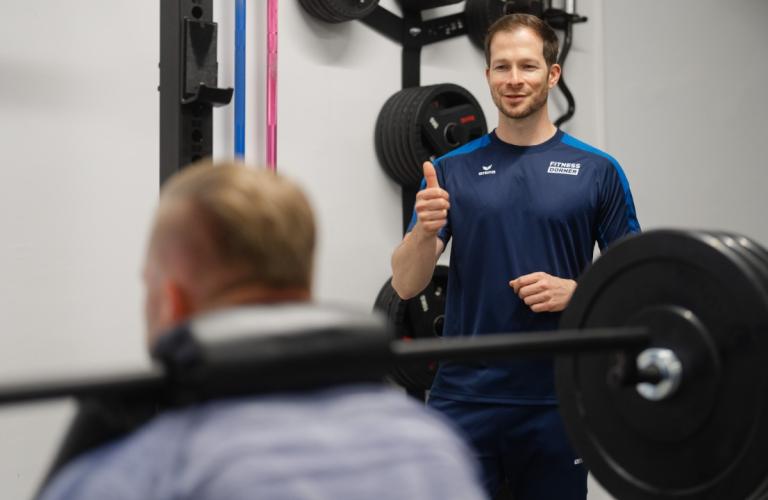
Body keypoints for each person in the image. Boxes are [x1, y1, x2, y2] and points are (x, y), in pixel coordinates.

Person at [39, 162, 487, 500]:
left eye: (148, 287)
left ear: (171, 301)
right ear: (302, 281)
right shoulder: (431, 448)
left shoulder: (143, 477)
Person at [391, 13, 641, 500]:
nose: (513, 80)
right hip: (463, 397)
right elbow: (405, 285)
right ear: (486, 76)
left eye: (527, 66)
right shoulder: (449, 172)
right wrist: (424, 231)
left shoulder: (598, 172)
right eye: (500, 67)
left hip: (556, 400)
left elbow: (634, 286)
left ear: (552, 73)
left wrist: (578, 292)